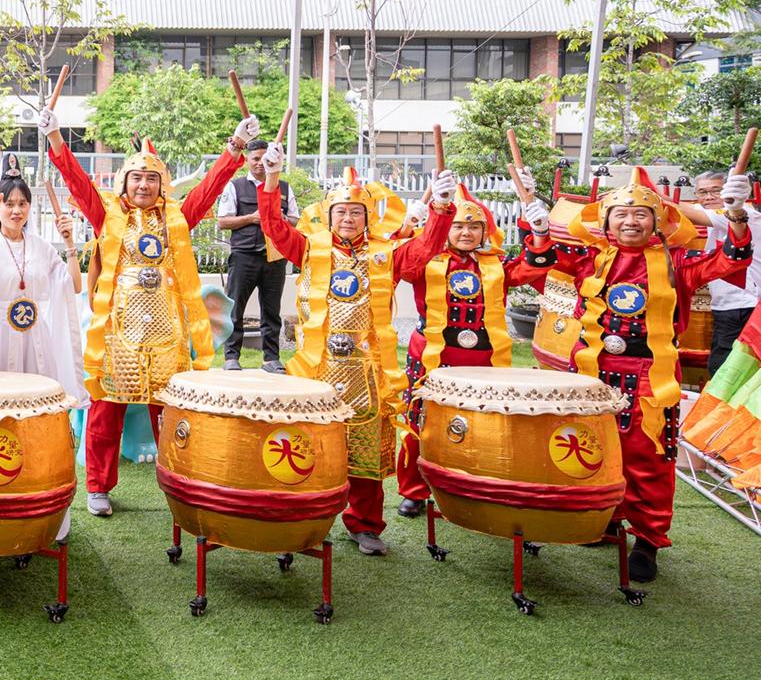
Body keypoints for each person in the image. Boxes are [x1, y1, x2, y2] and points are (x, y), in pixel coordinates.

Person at [41, 106, 256, 518]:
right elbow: (78, 183)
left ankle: (182, 481)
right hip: (118, 334)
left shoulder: (176, 219)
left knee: (173, 414)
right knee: (105, 413)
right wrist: (55, 139)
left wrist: (236, 145)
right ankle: (98, 487)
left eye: (151, 178)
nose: (143, 184)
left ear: (162, 185)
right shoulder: (107, 216)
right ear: (125, 182)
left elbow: (207, 191)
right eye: (137, 177)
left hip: (166, 335)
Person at [546, 167, 751, 582]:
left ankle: (648, 539)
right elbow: (540, 259)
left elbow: (730, 259)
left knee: (649, 456)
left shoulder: (678, 262)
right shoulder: (590, 259)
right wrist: (535, 225)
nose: (630, 221)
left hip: (650, 374)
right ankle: (604, 518)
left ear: (657, 221)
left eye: (640, 214)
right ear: (606, 222)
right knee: (592, 445)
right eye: (621, 214)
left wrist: (736, 215)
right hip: (592, 371)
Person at [256, 155, 457, 554]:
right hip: (317, 370)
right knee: (310, 449)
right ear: (329, 216)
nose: (348, 218)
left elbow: (425, 249)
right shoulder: (309, 247)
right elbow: (274, 227)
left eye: (355, 212)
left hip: (368, 371)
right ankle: (304, 521)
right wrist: (272, 179)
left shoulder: (386, 253)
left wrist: (441, 207)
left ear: (367, 217)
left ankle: (364, 525)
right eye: (341, 212)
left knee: (365, 449)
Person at [394, 175, 554, 518]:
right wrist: (416, 222)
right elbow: (400, 264)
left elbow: (533, 267)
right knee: (419, 421)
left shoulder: (496, 265)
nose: (466, 233)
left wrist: (540, 231)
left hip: (484, 358)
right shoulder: (426, 260)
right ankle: (414, 490)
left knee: (483, 424)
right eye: (458, 226)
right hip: (432, 354)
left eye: (474, 226)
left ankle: (473, 485)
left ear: (485, 231)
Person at [0, 159, 87, 543]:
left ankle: (40, 501)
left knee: (35, 420)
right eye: (9, 203)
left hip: (36, 342)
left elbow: (74, 286)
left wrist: (70, 243)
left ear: (30, 207)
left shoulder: (42, 247)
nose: (15, 210)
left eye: (22, 203)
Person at [216, 137, 294, 373]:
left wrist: (281, 219)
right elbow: (223, 221)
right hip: (244, 256)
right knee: (235, 308)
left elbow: (295, 220)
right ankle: (231, 357)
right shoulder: (236, 186)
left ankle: (271, 359)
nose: (260, 163)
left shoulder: (284, 187)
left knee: (271, 311)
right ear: (247, 160)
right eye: (255, 159)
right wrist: (252, 218)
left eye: (264, 158)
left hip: (274, 257)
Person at [682, 170, 759, 377]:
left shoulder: (741, 214)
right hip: (725, 306)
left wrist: (643, 193)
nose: (708, 197)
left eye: (716, 191)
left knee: (727, 369)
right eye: (702, 192)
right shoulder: (710, 212)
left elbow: (678, 210)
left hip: (746, 305)